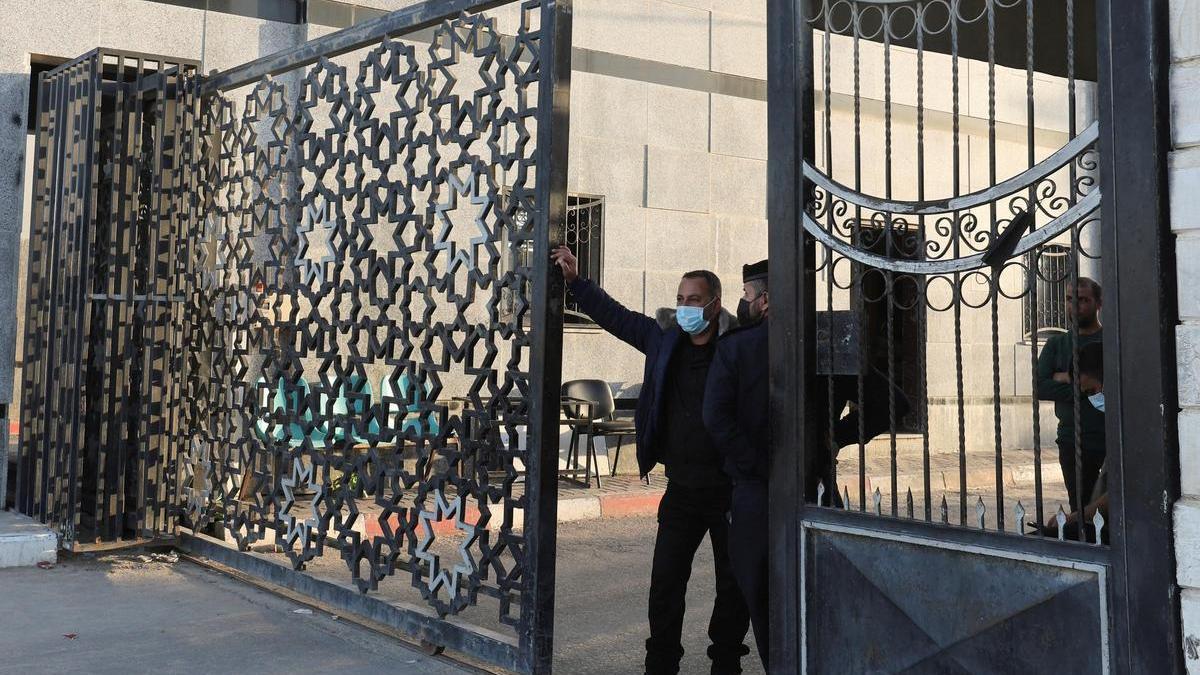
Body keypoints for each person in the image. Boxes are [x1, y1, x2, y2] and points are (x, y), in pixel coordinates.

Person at [551, 245, 750, 675]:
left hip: (728, 490)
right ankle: (661, 663)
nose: (684, 308)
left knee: (732, 585)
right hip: (681, 489)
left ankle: (727, 662)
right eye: (679, 299)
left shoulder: (736, 345)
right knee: (665, 584)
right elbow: (618, 318)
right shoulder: (664, 339)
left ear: (714, 304)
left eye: (693, 300)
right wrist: (577, 284)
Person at [702, 259, 907, 667]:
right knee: (825, 599)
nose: (743, 304)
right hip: (818, 489)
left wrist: (758, 466)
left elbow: (716, 418)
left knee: (764, 603)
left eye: (746, 295)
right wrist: (837, 438)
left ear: (765, 300)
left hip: (757, 495)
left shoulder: (737, 348)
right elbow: (892, 403)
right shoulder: (826, 345)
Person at [1036, 277, 1105, 512]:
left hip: (1110, 438)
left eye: (1083, 300)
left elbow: (1116, 385)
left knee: (1111, 509)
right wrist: (1086, 386)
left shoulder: (1111, 341)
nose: (1075, 305)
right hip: (1072, 440)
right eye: (1069, 299)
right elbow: (1040, 386)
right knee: (1080, 507)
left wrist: (1064, 376)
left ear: (1099, 303)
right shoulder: (1056, 344)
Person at [1041, 341, 1109, 542]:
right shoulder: (1055, 346)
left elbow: (1121, 493)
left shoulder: (1135, 422)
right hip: (1075, 445)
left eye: (1092, 391)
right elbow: (1040, 386)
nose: (1094, 398)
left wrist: (1075, 518)